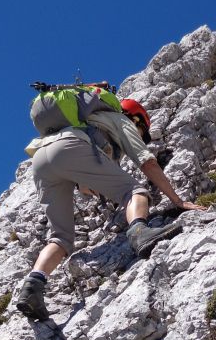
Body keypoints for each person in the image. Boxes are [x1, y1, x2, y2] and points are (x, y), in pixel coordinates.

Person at [16, 94, 205, 320]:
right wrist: (178, 201)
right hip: (70, 148)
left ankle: (32, 287)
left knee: (61, 237)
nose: (141, 135)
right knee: (134, 191)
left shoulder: (89, 123)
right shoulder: (121, 120)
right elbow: (147, 162)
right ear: (137, 119)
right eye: (142, 131)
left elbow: (85, 186)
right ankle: (140, 233)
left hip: (40, 160)